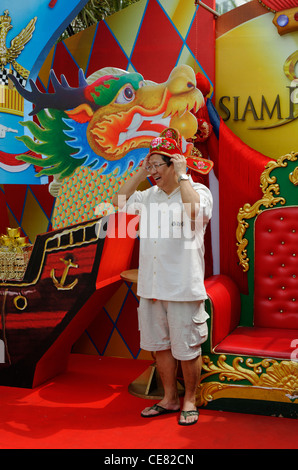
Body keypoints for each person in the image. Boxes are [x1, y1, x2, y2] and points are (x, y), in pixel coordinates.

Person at [112, 128, 213, 426]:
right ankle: (169, 399)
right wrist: (140, 174)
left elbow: (196, 212)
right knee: (160, 346)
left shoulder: (197, 191)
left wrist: (183, 176)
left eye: (158, 165)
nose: (153, 171)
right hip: (152, 286)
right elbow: (117, 204)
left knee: (187, 346)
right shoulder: (148, 196)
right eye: (150, 165)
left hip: (182, 286)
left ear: (174, 165)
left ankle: (190, 400)